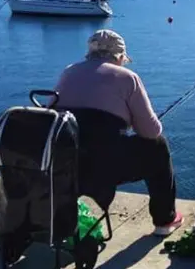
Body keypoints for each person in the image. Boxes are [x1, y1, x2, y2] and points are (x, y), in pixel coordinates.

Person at [54, 29, 183, 236]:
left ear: (89, 53)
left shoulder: (69, 71)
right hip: (103, 167)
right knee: (157, 146)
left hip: (64, 164)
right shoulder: (127, 77)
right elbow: (151, 131)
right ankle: (164, 220)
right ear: (121, 57)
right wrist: (127, 120)